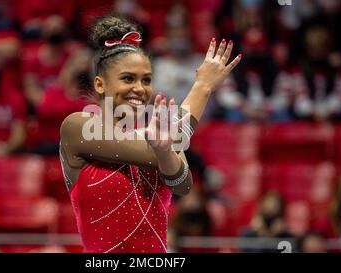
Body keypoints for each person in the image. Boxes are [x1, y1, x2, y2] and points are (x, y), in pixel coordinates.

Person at [59, 15, 241, 253]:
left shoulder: (158, 134)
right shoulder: (78, 127)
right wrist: (202, 88)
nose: (139, 88)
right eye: (128, 78)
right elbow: (157, 151)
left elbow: (182, 185)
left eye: (146, 80)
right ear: (100, 84)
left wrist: (167, 148)